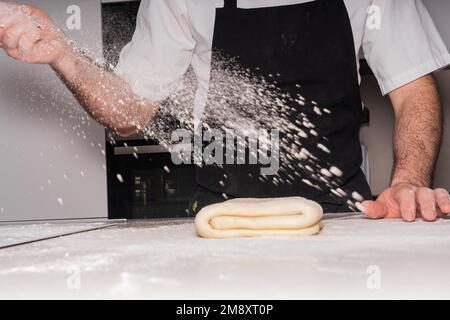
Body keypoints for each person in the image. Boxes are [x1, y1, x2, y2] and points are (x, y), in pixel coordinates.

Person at [0, 0, 449, 221]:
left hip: (343, 210)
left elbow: (413, 89)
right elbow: (129, 111)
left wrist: (408, 182)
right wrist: (65, 55)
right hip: (222, 213)